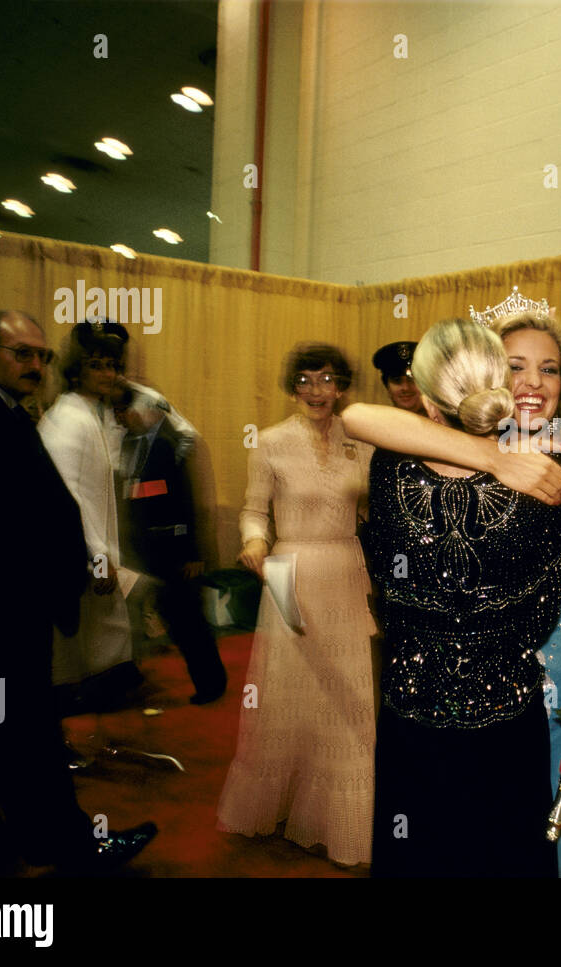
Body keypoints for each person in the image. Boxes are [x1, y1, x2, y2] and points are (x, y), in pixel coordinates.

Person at [345, 308, 561, 876]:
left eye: (550, 370)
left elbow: (357, 416)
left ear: (430, 398)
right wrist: (501, 455)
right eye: (516, 369)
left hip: (412, 721)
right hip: (509, 719)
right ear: (492, 389)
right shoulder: (557, 480)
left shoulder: (390, 469)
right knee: (505, 852)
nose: (532, 382)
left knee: (421, 853)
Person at [0, 309, 156, 874]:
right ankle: (45, 845)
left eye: (41, 355)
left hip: (5, 611)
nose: (35, 364)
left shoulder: (3, 410)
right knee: (5, 735)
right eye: (20, 353)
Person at [217, 343, 377, 866]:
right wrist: (254, 541)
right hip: (288, 573)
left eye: (328, 379)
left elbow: (376, 508)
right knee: (288, 693)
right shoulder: (270, 442)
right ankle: (277, 803)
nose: (317, 391)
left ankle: (338, 821)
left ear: (342, 386)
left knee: (346, 695)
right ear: (292, 387)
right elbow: (252, 510)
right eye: (306, 380)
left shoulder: (363, 441)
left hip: (347, 570)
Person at [38, 322, 138, 708]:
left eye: (113, 365)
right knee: (70, 658)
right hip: (78, 557)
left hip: (95, 553)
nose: (109, 374)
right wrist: (97, 558)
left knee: (97, 652)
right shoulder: (68, 419)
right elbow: (66, 498)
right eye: (98, 365)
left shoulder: (91, 414)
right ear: (77, 369)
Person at [114, 384, 227, 704]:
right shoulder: (132, 444)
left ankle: (211, 684)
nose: (122, 420)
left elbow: (188, 502)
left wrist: (194, 554)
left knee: (188, 619)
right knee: (170, 615)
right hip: (148, 549)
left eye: (125, 412)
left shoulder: (171, 444)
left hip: (177, 549)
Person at [371, 340, 425, 414]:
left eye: (412, 380)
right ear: (388, 388)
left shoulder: (442, 423)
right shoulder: (375, 423)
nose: (406, 388)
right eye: (397, 381)